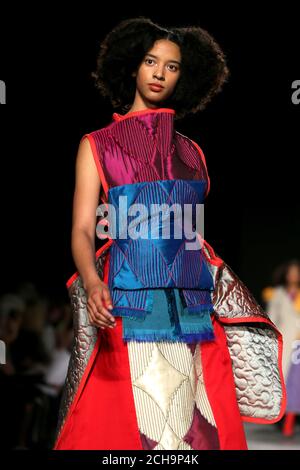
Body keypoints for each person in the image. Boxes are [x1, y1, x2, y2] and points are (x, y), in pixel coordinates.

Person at [53, 17, 285, 451]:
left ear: (186, 76)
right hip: (131, 301)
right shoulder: (98, 144)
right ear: (132, 67)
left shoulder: (192, 153)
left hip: (194, 307)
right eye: (150, 61)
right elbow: (83, 229)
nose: (160, 73)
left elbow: (192, 235)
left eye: (172, 66)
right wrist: (91, 279)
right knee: (140, 429)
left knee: (195, 431)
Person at [262, 260, 300, 437]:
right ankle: (280, 416)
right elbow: (272, 317)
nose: (294, 275)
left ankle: (292, 416)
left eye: (296, 272)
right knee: (282, 378)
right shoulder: (277, 294)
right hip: (285, 340)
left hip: (298, 343)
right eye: (291, 272)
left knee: (296, 381)